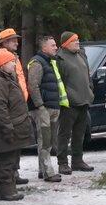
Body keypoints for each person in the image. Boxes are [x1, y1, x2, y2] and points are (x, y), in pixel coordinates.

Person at [0, 48, 34, 201]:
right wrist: (7, 128)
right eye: (11, 62)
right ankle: (5, 191)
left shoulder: (7, 78)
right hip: (8, 127)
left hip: (15, 126)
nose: (14, 64)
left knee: (11, 159)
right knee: (6, 160)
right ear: (2, 64)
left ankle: (10, 189)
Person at [0, 28, 29, 186]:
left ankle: (14, 173)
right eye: (13, 40)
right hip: (8, 110)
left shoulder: (14, 57)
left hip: (18, 107)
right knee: (3, 147)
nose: (16, 42)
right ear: (4, 42)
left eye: (16, 39)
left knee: (15, 144)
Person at [54, 32, 95, 174]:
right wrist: (67, 97)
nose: (78, 42)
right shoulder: (59, 58)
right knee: (64, 134)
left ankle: (77, 161)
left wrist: (90, 91)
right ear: (66, 43)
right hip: (69, 104)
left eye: (78, 39)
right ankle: (62, 163)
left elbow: (87, 75)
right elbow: (59, 81)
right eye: (74, 40)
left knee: (80, 134)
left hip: (84, 100)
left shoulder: (81, 55)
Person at [26, 35, 65, 182]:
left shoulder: (50, 62)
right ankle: (48, 172)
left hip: (52, 106)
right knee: (45, 141)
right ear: (44, 48)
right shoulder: (37, 63)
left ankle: (43, 170)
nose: (56, 47)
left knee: (48, 140)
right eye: (52, 45)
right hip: (43, 109)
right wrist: (40, 106)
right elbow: (33, 86)